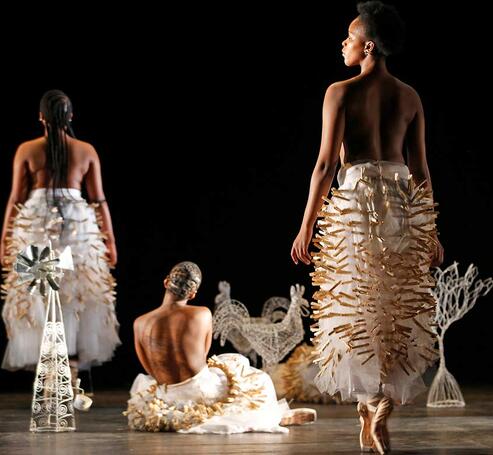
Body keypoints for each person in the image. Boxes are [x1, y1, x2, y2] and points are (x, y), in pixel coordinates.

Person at [290, 2, 442, 452]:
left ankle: (367, 404)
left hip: (356, 203)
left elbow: (322, 166)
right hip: (397, 204)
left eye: (349, 36)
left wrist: (305, 226)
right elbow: (422, 172)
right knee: (393, 304)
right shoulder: (410, 96)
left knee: (356, 302)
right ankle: (378, 407)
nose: (343, 43)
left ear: (368, 45)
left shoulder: (340, 91)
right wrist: (430, 229)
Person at [1, 90, 120, 384]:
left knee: (40, 291)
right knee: (76, 292)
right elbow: (99, 199)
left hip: (36, 222)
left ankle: (54, 370)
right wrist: (110, 242)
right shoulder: (86, 150)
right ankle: (70, 369)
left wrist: (4, 238)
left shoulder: (26, 150)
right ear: (70, 117)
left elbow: (16, 198)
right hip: (79, 224)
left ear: (40, 117)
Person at [126, 262, 288, 434]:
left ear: (166, 282)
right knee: (258, 377)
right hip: (201, 391)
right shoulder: (202, 313)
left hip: (165, 395)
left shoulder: (140, 323)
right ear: (193, 293)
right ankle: (270, 415)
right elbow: (204, 353)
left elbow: (149, 368)